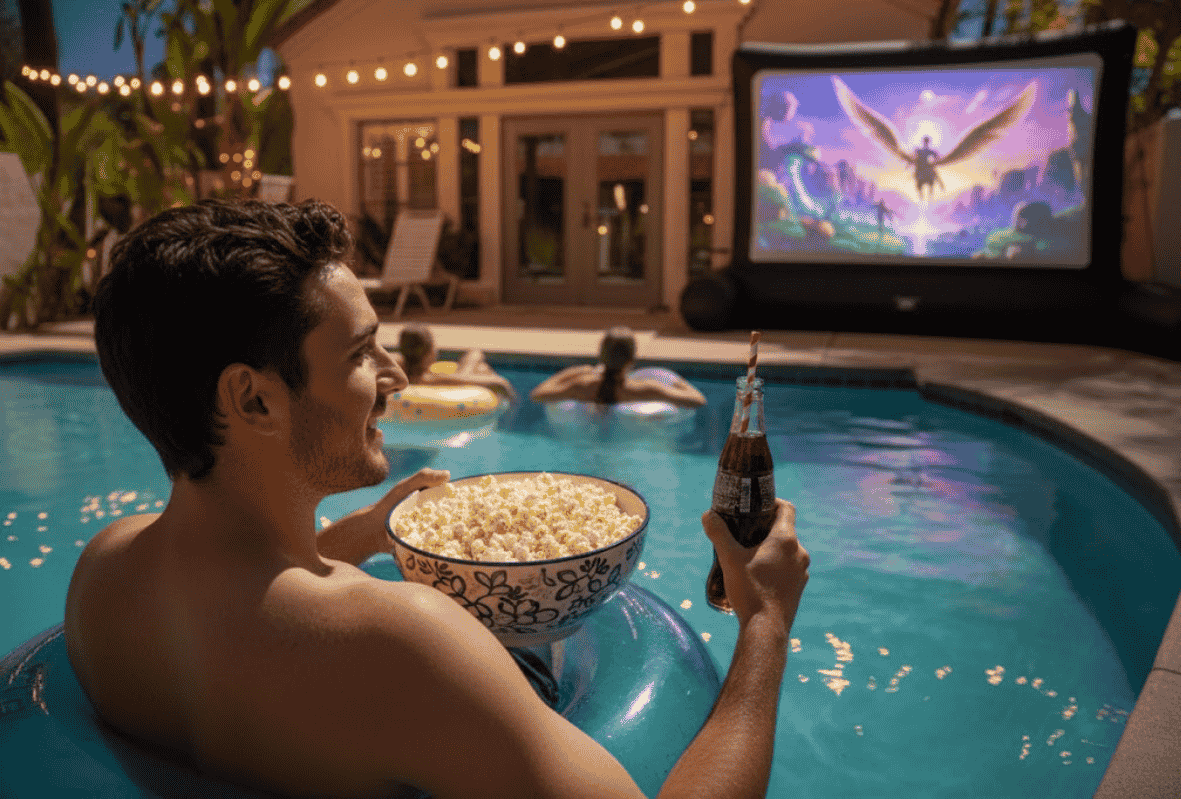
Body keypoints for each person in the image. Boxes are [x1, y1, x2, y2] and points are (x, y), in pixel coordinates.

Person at [65, 199, 809, 799]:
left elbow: (239, 615)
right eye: (359, 353)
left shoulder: (103, 575)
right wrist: (766, 622)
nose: (394, 375)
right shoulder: (399, 643)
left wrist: (351, 537)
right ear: (254, 400)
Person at [530, 326, 707, 408]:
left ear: (601, 356)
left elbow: (538, 395)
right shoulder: (646, 389)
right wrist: (677, 380)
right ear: (631, 359)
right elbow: (697, 400)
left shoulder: (582, 385)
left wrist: (573, 372)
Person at [397, 322, 516, 401]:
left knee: (475, 357)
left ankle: (473, 356)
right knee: (480, 366)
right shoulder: (428, 379)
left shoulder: (397, 369)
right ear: (430, 352)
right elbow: (500, 383)